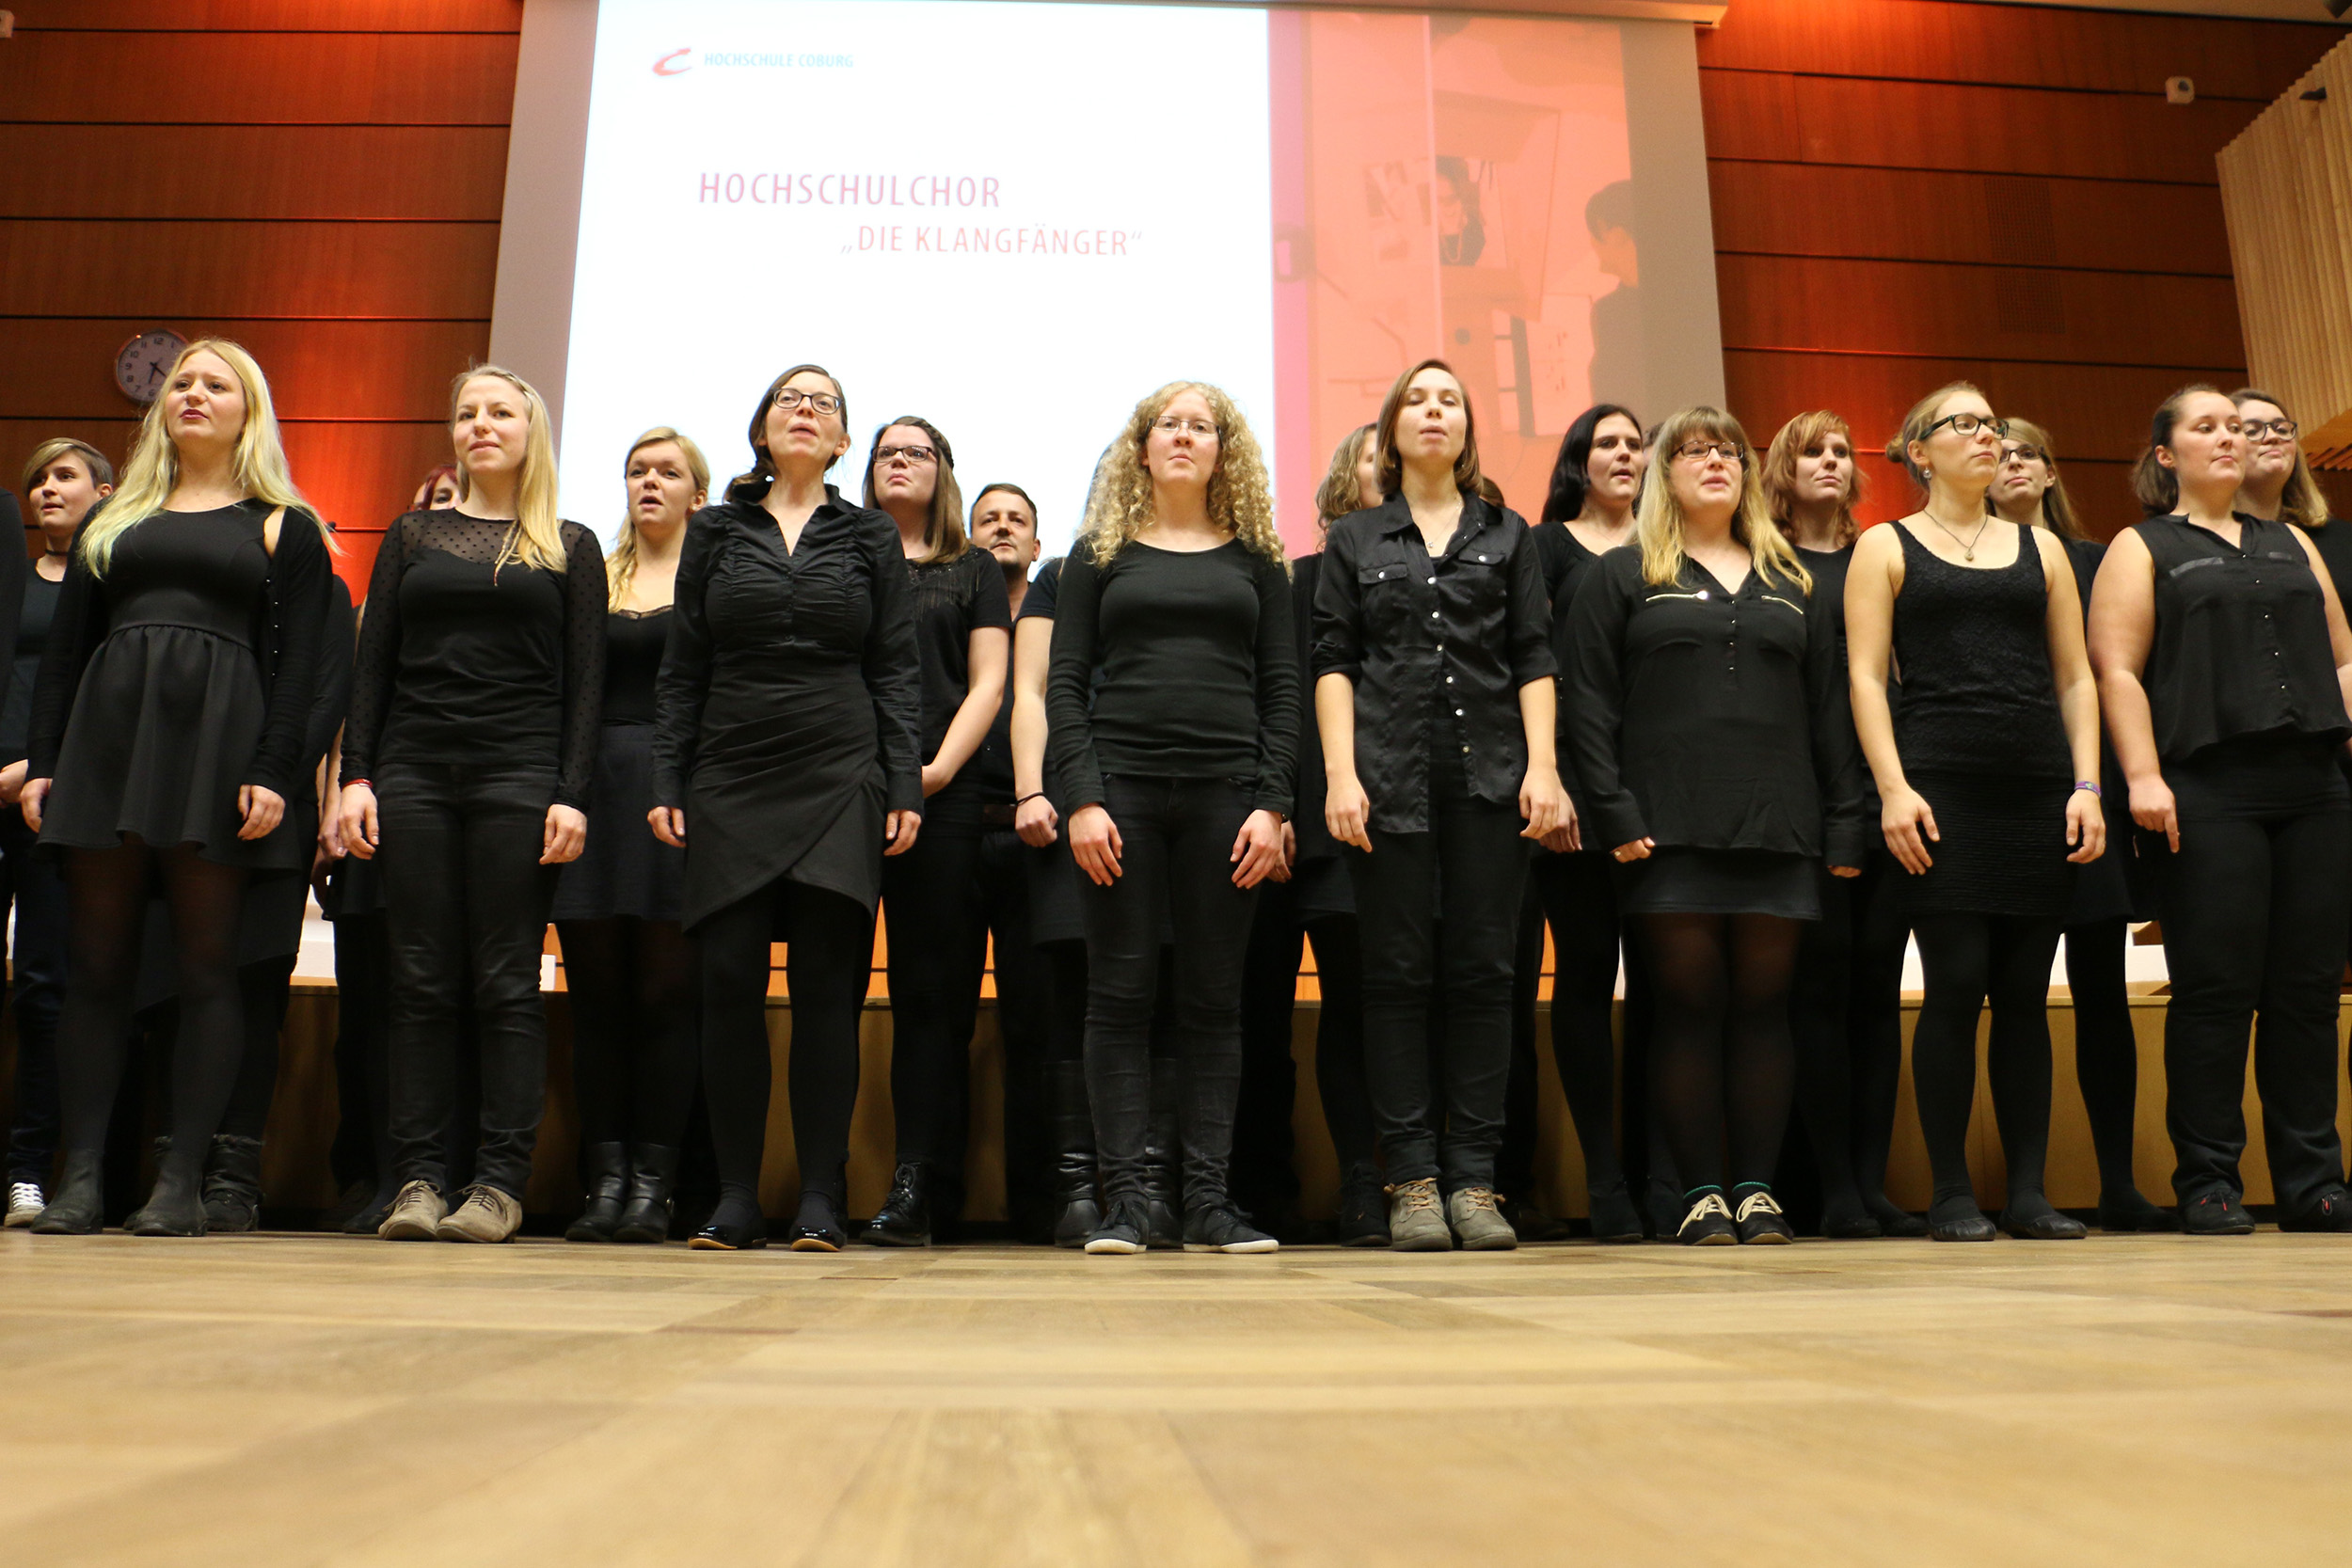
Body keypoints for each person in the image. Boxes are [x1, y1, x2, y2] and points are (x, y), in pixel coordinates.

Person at [25, 339, 332, 1236]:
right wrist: (45, 762)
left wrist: (275, 771)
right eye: (182, 383)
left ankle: (181, 1180)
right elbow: (61, 659)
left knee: (206, 969)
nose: (193, 393)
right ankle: (80, 1178)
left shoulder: (284, 523)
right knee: (98, 970)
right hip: (109, 745)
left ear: (250, 411)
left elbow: (303, 667)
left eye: (215, 383)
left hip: (220, 752)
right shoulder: (113, 519)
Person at [1568, 405, 1863, 1245]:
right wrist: (1614, 812)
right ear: (1666, 472)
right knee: (1690, 1007)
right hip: (1665, 829)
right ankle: (1702, 1193)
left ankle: (1759, 1193)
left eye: (1729, 449)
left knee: (1767, 1009)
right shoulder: (1621, 576)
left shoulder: (1793, 581)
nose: (1715, 461)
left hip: (1781, 823)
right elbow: (1587, 705)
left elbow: (1831, 713)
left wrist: (1846, 823)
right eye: (1694, 450)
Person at [652, 364, 922, 1252]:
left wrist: (904, 782)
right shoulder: (716, 530)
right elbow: (683, 667)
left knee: (825, 989)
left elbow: (893, 668)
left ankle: (817, 1194)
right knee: (728, 982)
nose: (805, 412)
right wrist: (668, 779)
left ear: (844, 440)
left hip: (842, 771)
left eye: (824, 404)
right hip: (730, 771)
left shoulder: (871, 535)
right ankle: (735, 1195)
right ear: (762, 429)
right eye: (789, 401)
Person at [340, 364, 604, 1244]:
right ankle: (417, 1178)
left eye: (499, 412)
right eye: (466, 413)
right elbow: (371, 666)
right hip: (414, 770)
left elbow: (586, 688)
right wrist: (357, 777)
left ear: (531, 433)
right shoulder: (413, 535)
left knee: (504, 984)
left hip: (520, 774)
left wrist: (572, 793)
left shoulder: (569, 542)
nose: (480, 424)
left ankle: (497, 1183)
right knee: (417, 981)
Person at [2089, 386, 2352, 1234]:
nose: (2230, 438)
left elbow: (2344, 657)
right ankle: (2208, 1179)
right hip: (2208, 788)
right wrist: (2142, 776)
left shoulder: (2290, 544)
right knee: (2216, 991)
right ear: (2166, 454)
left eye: (2237, 426)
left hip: (2313, 786)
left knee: (2307, 991)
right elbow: (2118, 668)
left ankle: (2313, 1180)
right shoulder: (2145, 544)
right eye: (2207, 427)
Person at [1846, 382, 2105, 1243]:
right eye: (1964, 423)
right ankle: (1952, 1190)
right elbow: (1866, 678)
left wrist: (2087, 784)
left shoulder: (2043, 549)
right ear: (1919, 450)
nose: (1986, 436)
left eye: (1994, 424)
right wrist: (1892, 788)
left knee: (2026, 994)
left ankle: (2028, 1190)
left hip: (2036, 785)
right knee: (1955, 988)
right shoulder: (1884, 545)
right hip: (1939, 786)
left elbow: (2075, 675)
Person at [1316, 360, 1565, 1252]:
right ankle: (1413, 1182)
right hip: (1386, 783)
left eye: (1449, 400)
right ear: (1392, 428)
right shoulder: (1355, 539)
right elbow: (1334, 662)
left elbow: (1534, 654)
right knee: (1393, 981)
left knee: (1484, 979)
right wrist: (1342, 775)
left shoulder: (1511, 534)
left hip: (1492, 781)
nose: (1433, 411)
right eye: (1417, 400)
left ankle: (1474, 1182)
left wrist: (1545, 767)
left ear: (1466, 429)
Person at [1048, 381, 1299, 1256]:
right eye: (1170, 424)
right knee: (1118, 997)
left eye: (1203, 426)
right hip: (1119, 794)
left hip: (1227, 798)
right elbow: (1066, 682)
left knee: (1212, 1003)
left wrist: (1273, 805)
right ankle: (1127, 1206)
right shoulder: (1097, 553)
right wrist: (1079, 796)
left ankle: (1207, 1204)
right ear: (1142, 448)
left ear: (1222, 450)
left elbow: (1282, 689)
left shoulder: (1260, 559)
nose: (1185, 436)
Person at [1987, 420, 2171, 1232]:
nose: (2016, 460)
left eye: (2031, 450)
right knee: (2013, 987)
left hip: (2085, 787)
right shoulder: (1968, 564)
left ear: (2052, 471)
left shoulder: (2099, 563)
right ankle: (2021, 1183)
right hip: (2004, 792)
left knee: (2103, 992)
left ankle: (2119, 1181)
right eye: (2002, 449)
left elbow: (2113, 673)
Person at [1761, 409, 1916, 1239]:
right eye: (1811, 450)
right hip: (1804, 800)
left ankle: (1870, 1177)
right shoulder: (1766, 565)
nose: (1828, 462)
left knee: (1875, 997)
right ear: (1781, 468)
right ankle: (1828, 1187)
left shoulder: (1880, 556)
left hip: (1882, 790)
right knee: (1813, 995)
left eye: (1838, 453)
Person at [553, 427, 707, 1244]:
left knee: (665, 997)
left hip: (677, 795)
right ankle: (603, 1181)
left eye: (668, 472)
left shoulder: (714, 580)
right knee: (598, 1001)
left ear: (698, 494)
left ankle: (655, 1184)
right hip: (594, 790)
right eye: (637, 471)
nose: (650, 482)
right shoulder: (592, 575)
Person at [859, 418, 1010, 1246]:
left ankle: (920, 1184)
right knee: (831, 987)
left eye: (917, 452)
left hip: (941, 794)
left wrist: (935, 774)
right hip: (845, 794)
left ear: (943, 472)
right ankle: (821, 1182)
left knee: (931, 999)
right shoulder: (843, 556)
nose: (901, 463)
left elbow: (988, 683)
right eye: (887, 452)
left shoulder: (973, 568)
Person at [1238, 425, 1383, 1243]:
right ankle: (1260, 1190)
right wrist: (1278, 806)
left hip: (1359, 829)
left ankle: (1364, 1183)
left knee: (1354, 1010)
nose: (1383, 470)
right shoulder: (1292, 579)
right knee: (1256, 1017)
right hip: (1274, 821)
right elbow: (1272, 698)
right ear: (1341, 482)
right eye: (1370, 458)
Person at [1523, 404, 1650, 1241]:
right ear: (1577, 459)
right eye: (1606, 443)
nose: (1624, 455)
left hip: (1661, 797)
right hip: (1570, 800)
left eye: (1636, 444)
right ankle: (1604, 1181)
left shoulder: (1670, 549)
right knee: (1581, 978)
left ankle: (1654, 1175)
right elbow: (1531, 664)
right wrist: (1560, 783)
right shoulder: (1543, 548)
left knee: (1665, 990)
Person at [2, 442, 99, 1226]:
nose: (45, 488)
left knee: (42, 988)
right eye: (39, 477)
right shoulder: (13, 578)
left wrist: (38, 763)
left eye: (64, 475)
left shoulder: (108, 586)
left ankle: (28, 1169)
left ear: (105, 490)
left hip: (51, 802)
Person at [963, 483, 1056, 1241]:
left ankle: (1039, 1204)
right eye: (987, 518)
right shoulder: (947, 608)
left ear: (1036, 539)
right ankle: (933, 1200)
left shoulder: (1059, 610)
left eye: (1015, 519)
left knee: (1038, 1026)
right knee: (940, 1018)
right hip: (953, 832)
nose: (1001, 527)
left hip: (1042, 840)